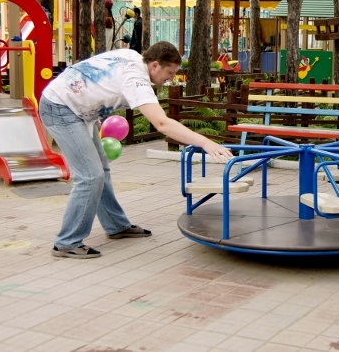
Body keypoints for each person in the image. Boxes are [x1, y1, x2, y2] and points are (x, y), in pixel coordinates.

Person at [39, 41, 233, 259]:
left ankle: (116, 225)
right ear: (155, 65)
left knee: (101, 170)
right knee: (91, 176)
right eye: (169, 73)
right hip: (61, 108)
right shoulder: (136, 80)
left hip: (77, 108)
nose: (171, 79)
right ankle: (67, 243)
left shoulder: (132, 56)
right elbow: (162, 124)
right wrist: (204, 143)